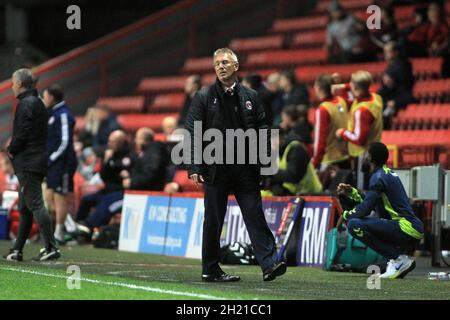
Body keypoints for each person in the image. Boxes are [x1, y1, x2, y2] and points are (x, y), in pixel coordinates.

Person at [185, 48, 286, 282]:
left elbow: (263, 131)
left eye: (225, 62)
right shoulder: (203, 96)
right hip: (215, 166)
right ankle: (210, 269)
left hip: (245, 167)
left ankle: (269, 264)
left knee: (255, 214)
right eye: (217, 63)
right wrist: (194, 166)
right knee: (213, 220)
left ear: (236, 66)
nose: (220, 66)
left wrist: (264, 166)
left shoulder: (251, 96)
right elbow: (192, 132)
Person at [337, 142, 424, 279]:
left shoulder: (378, 177)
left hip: (404, 227)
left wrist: (346, 214)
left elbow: (364, 210)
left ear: (371, 157)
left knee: (354, 224)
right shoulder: (384, 174)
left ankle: (397, 259)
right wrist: (353, 192)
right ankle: (397, 260)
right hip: (409, 226)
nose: (363, 157)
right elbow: (370, 203)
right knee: (359, 222)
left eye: (366, 154)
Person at [3, 68, 60, 262]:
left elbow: (23, 132)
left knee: (35, 203)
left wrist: (12, 147)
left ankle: (51, 246)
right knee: (25, 207)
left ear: (19, 84)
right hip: (35, 161)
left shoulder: (26, 104)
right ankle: (17, 250)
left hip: (28, 162)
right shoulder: (38, 103)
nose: (11, 86)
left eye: (12, 83)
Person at [76, 130, 134, 232]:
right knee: (87, 199)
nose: (109, 144)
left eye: (112, 142)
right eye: (109, 141)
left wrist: (114, 166)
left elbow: (124, 168)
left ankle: (89, 227)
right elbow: (103, 176)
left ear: (120, 142)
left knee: (105, 202)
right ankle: (78, 224)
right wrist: (107, 162)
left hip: (121, 192)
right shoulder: (110, 154)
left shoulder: (129, 155)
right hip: (108, 189)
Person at [334, 71, 383, 189]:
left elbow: (359, 138)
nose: (348, 85)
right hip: (374, 152)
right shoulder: (376, 98)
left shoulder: (362, 111)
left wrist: (342, 133)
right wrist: (343, 86)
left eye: (350, 83)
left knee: (362, 190)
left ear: (355, 86)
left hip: (363, 157)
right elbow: (353, 95)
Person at [42, 84, 78, 244]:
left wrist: (53, 157)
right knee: (49, 198)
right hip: (53, 163)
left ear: (52, 97)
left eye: (45, 96)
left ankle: (59, 233)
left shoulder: (63, 114)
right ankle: (69, 224)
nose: (44, 99)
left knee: (59, 198)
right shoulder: (53, 113)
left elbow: (65, 141)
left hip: (63, 163)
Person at [262, 128, 322, 196]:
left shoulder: (296, 148)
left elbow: (293, 176)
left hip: (311, 194)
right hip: (294, 193)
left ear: (278, 138)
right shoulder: (278, 152)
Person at [312, 74, 350, 170]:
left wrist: (314, 163)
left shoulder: (323, 110)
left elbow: (320, 141)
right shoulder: (342, 101)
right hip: (345, 158)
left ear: (319, 88)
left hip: (330, 163)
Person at [377, 41, 416, 129]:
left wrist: (395, 102)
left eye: (388, 52)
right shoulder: (390, 68)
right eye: (384, 52)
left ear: (395, 53)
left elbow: (405, 86)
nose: (385, 55)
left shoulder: (404, 65)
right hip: (389, 97)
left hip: (401, 97)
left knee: (386, 110)